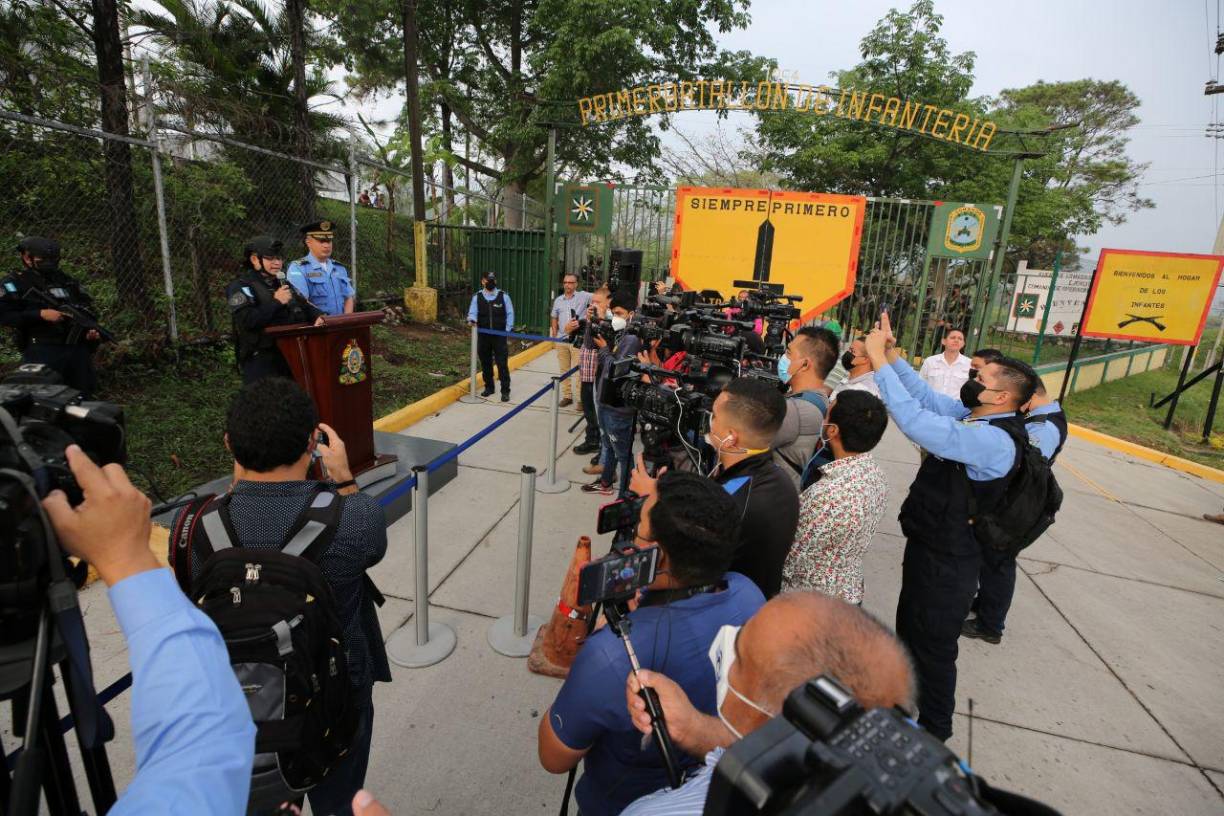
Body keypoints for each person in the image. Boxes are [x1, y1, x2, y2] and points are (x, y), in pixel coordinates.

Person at [173, 378, 390, 815]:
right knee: (339, 802)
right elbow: (374, 547)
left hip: (243, 705)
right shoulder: (352, 518)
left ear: (229, 444)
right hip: (338, 697)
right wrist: (344, 478)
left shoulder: (192, 528)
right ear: (314, 443)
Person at [537, 471, 766, 816]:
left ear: (656, 559)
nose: (630, 541)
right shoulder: (750, 594)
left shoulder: (611, 656)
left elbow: (554, 757)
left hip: (621, 804)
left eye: (638, 532)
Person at [42, 446, 255, 814]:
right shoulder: (351, 515)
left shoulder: (197, 521)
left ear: (229, 444)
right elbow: (206, 746)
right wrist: (124, 557)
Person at [863, 314, 1038, 742]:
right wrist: (891, 356)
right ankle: (902, 706)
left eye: (980, 376)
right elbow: (924, 398)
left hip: (950, 562)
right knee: (911, 632)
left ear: (1000, 397)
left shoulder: (992, 440)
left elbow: (916, 422)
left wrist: (875, 362)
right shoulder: (977, 416)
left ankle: (933, 732)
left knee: (934, 648)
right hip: (931, 547)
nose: (972, 378)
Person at [619, 591, 914, 816]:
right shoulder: (899, 744)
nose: (730, 640)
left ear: (765, 717)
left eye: (742, 656)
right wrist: (694, 730)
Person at [964, 376, 1067, 645]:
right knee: (992, 561)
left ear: (1030, 397)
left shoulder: (1043, 427)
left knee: (999, 562)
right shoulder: (1045, 416)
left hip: (1019, 507)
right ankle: (985, 603)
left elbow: (1025, 467)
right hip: (1017, 502)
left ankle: (991, 625)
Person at [781, 390, 889, 605]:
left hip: (811, 605)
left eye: (827, 415)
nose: (823, 421)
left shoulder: (826, 495)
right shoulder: (876, 475)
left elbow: (792, 561)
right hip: (848, 592)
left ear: (833, 430)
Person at [698, 377, 799, 597]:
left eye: (714, 416)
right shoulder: (781, 481)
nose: (709, 422)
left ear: (731, 437)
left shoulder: (727, 501)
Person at [1, 237, 102, 395]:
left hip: (77, 350)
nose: (49, 263)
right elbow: (5, 316)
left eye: (53, 259)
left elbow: (88, 310)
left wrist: (90, 334)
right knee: (42, 401)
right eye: (44, 259)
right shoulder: (15, 283)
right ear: (27, 258)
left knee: (82, 400)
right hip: (42, 350)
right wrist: (39, 314)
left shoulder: (67, 281)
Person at [227, 235, 325, 384]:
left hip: (290, 355)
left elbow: (304, 306)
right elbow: (247, 321)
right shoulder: (240, 287)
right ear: (254, 259)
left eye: (279, 258)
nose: (277, 263)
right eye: (270, 258)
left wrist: (318, 316)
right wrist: (276, 302)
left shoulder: (282, 283)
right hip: (261, 360)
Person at [582, 288, 641, 496]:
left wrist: (605, 349)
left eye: (619, 314)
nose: (615, 317)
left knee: (623, 454)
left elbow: (614, 369)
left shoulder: (632, 339)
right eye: (612, 313)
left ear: (631, 314)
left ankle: (627, 493)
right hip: (605, 400)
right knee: (608, 443)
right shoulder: (617, 331)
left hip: (619, 407)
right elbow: (589, 344)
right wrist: (592, 323)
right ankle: (606, 482)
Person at [772, 326, 839, 489]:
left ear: (804, 365)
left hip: (774, 495)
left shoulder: (798, 409)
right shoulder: (819, 398)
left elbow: (745, 441)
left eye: (788, 353)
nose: (783, 358)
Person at [286, 221, 355, 316]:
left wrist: (346, 320)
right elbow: (301, 301)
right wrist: (321, 319)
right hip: (317, 326)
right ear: (308, 242)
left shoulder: (339, 268)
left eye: (329, 241)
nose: (326, 245)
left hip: (341, 324)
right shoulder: (298, 268)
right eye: (321, 241)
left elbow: (348, 297)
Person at [468, 270, 515, 401]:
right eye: (488, 280)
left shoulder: (503, 296)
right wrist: (472, 320)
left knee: (502, 363)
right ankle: (489, 387)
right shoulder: (477, 297)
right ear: (483, 281)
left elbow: (510, 314)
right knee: (485, 362)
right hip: (483, 336)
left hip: (499, 336)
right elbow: (472, 313)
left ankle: (505, 390)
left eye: (493, 280)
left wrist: (507, 329)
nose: (491, 282)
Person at [575, 285, 610, 458]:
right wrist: (588, 321)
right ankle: (592, 439)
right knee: (588, 404)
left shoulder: (612, 320)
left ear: (608, 303)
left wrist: (601, 320)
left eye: (598, 302)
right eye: (592, 301)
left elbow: (604, 344)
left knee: (599, 409)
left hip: (601, 369)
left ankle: (603, 448)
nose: (593, 305)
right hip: (589, 367)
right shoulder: (591, 317)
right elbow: (588, 342)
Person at [550, 271, 592, 407]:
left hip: (577, 340)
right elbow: (554, 317)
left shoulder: (584, 296)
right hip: (562, 339)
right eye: (565, 282)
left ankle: (581, 400)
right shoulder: (558, 300)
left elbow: (600, 298)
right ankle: (567, 396)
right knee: (564, 370)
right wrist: (555, 334)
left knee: (578, 371)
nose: (567, 285)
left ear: (576, 284)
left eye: (570, 282)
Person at [919, 328, 971, 398]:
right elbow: (920, 385)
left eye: (960, 339)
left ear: (963, 344)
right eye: (952, 338)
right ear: (943, 341)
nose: (956, 340)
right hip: (931, 406)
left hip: (956, 407)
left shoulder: (969, 364)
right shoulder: (930, 361)